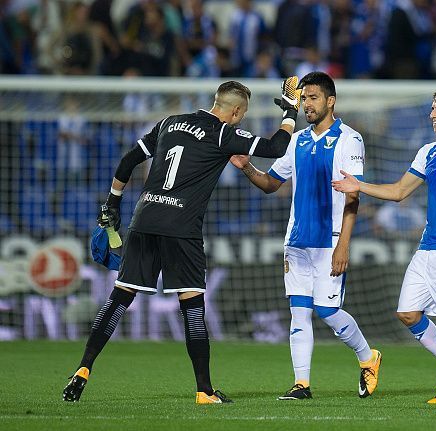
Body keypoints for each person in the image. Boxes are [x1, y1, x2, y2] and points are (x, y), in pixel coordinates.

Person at [63, 78, 302, 405]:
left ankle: (83, 369)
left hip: (144, 219)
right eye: (241, 116)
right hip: (181, 227)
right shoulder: (222, 133)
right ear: (234, 111)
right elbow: (276, 147)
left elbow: (128, 160)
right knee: (192, 307)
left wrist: (112, 204)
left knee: (120, 297)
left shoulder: (168, 123)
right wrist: (290, 112)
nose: (240, 121)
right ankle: (204, 391)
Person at [332, 87, 436, 404]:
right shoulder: (428, 152)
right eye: (432, 109)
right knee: (407, 312)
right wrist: (358, 185)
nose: (432, 114)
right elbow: (398, 191)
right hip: (428, 242)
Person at [230, 72, 381, 401]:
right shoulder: (296, 140)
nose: (306, 104)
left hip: (330, 240)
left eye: (313, 98)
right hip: (297, 241)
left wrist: (344, 245)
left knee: (327, 311)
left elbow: (353, 196)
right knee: (299, 311)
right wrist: (247, 168)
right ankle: (302, 384)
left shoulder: (349, 139)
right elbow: (272, 184)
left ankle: (368, 357)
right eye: (303, 98)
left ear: (331, 101)